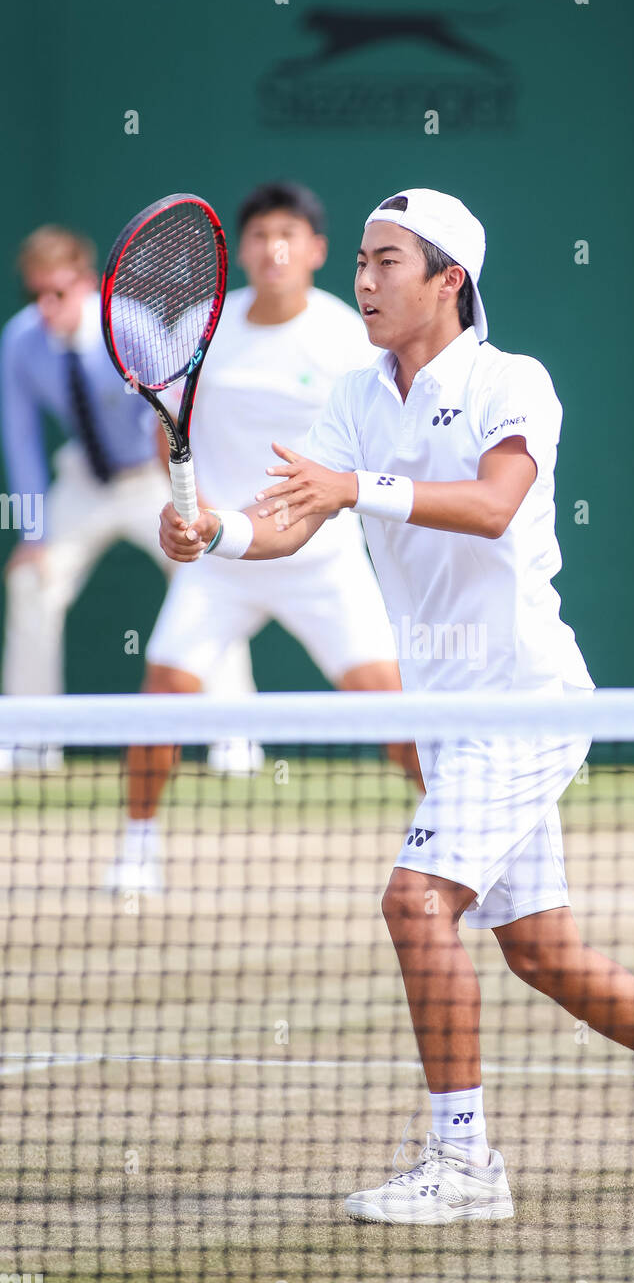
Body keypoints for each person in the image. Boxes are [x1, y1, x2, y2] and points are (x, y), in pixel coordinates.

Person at [158, 188, 634, 1222]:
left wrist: (355, 490)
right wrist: (216, 537)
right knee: (541, 950)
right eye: (360, 263)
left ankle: (466, 1166)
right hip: (448, 714)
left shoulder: (514, 381)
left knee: (414, 903)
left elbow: (493, 508)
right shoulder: (353, 392)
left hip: (525, 700)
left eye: (384, 262)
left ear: (447, 279)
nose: (362, 281)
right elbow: (290, 518)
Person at [105, 182, 414, 895]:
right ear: (238, 250)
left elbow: (365, 448)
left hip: (322, 557)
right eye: (259, 235)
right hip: (219, 556)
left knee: (396, 712)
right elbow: (167, 431)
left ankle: (459, 843)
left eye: (289, 235)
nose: (273, 248)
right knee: (164, 694)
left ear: (316, 251)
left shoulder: (345, 337)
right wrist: (200, 511)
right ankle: (138, 846)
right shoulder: (203, 327)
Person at [0, 224, 255, 773]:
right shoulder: (20, 341)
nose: (47, 307)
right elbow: (19, 439)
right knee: (28, 581)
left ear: (86, 283)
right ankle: (28, 744)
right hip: (84, 482)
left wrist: (184, 488)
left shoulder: (130, 325)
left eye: (59, 292)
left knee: (210, 580)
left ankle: (236, 741)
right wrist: (32, 534)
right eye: (35, 294)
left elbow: (176, 411)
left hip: (150, 477)